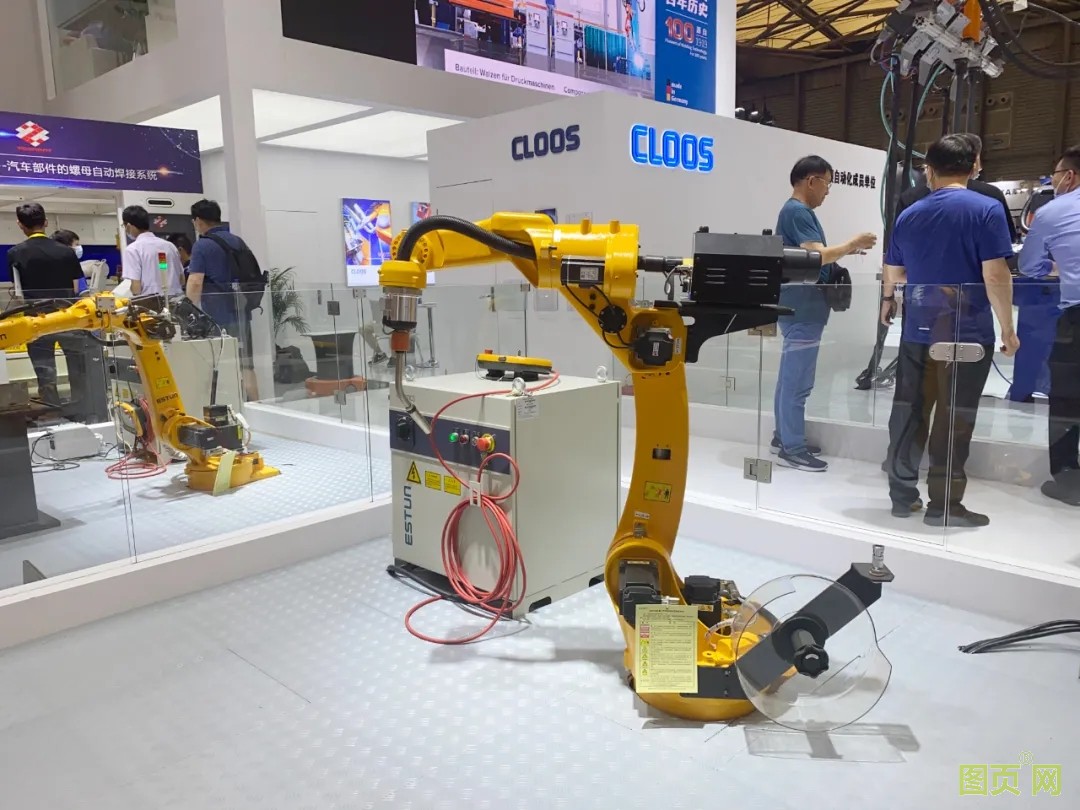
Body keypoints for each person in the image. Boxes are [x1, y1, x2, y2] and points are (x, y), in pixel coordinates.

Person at [881, 134, 1018, 527]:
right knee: (954, 418)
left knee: (909, 412)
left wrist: (890, 300)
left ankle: (901, 495)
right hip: (966, 333)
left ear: (930, 169)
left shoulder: (909, 214)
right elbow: (995, 275)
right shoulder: (986, 209)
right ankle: (944, 505)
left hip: (917, 331)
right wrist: (1008, 329)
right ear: (974, 165)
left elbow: (895, 272)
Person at [773, 155, 878, 472]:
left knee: (790, 379)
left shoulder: (794, 212)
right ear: (811, 181)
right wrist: (850, 244)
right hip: (803, 308)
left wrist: (845, 250)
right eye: (827, 184)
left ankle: (785, 436)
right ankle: (792, 447)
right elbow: (816, 256)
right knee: (797, 382)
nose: (828, 191)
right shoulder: (798, 212)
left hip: (800, 306)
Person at [1018, 145, 1080, 506]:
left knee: (1068, 397)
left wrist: (1056, 268)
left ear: (1069, 176)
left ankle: (1069, 480)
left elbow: (1028, 266)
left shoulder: (1052, 211)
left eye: (1055, 174)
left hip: (1076, 316)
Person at [5, 203, 87, 407]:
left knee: (44, 367)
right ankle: (82, 405)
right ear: (46, 222)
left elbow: (18, 292)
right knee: (76, 363)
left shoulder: (15, 253)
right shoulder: (67, 252)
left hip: (37, 320)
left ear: (20, 224)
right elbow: (77, 287)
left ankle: (52, 407)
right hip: (68, 317)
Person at [185, 199, 259, 399]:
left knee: (218, 366)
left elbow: (195, 282)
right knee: (246, 365)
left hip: (216, 317)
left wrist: (188, 312)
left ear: (198, 220)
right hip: (242, 313)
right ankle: (255, 406)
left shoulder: (202, 245)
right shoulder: (238, 241)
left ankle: (225, 408)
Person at [896, 133, 1018, 243]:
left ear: (931, 167)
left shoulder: (910, 201)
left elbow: (897, 247)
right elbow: (1004, 244)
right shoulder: (991, 200)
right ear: (973, 165)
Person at [120, 205, 185, 297]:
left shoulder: (133, 250)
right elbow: (182, 280)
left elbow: (136, 289)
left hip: (152, 302)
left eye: (124, 226)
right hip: (177, 300)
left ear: (129, 226)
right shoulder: (170, 246)